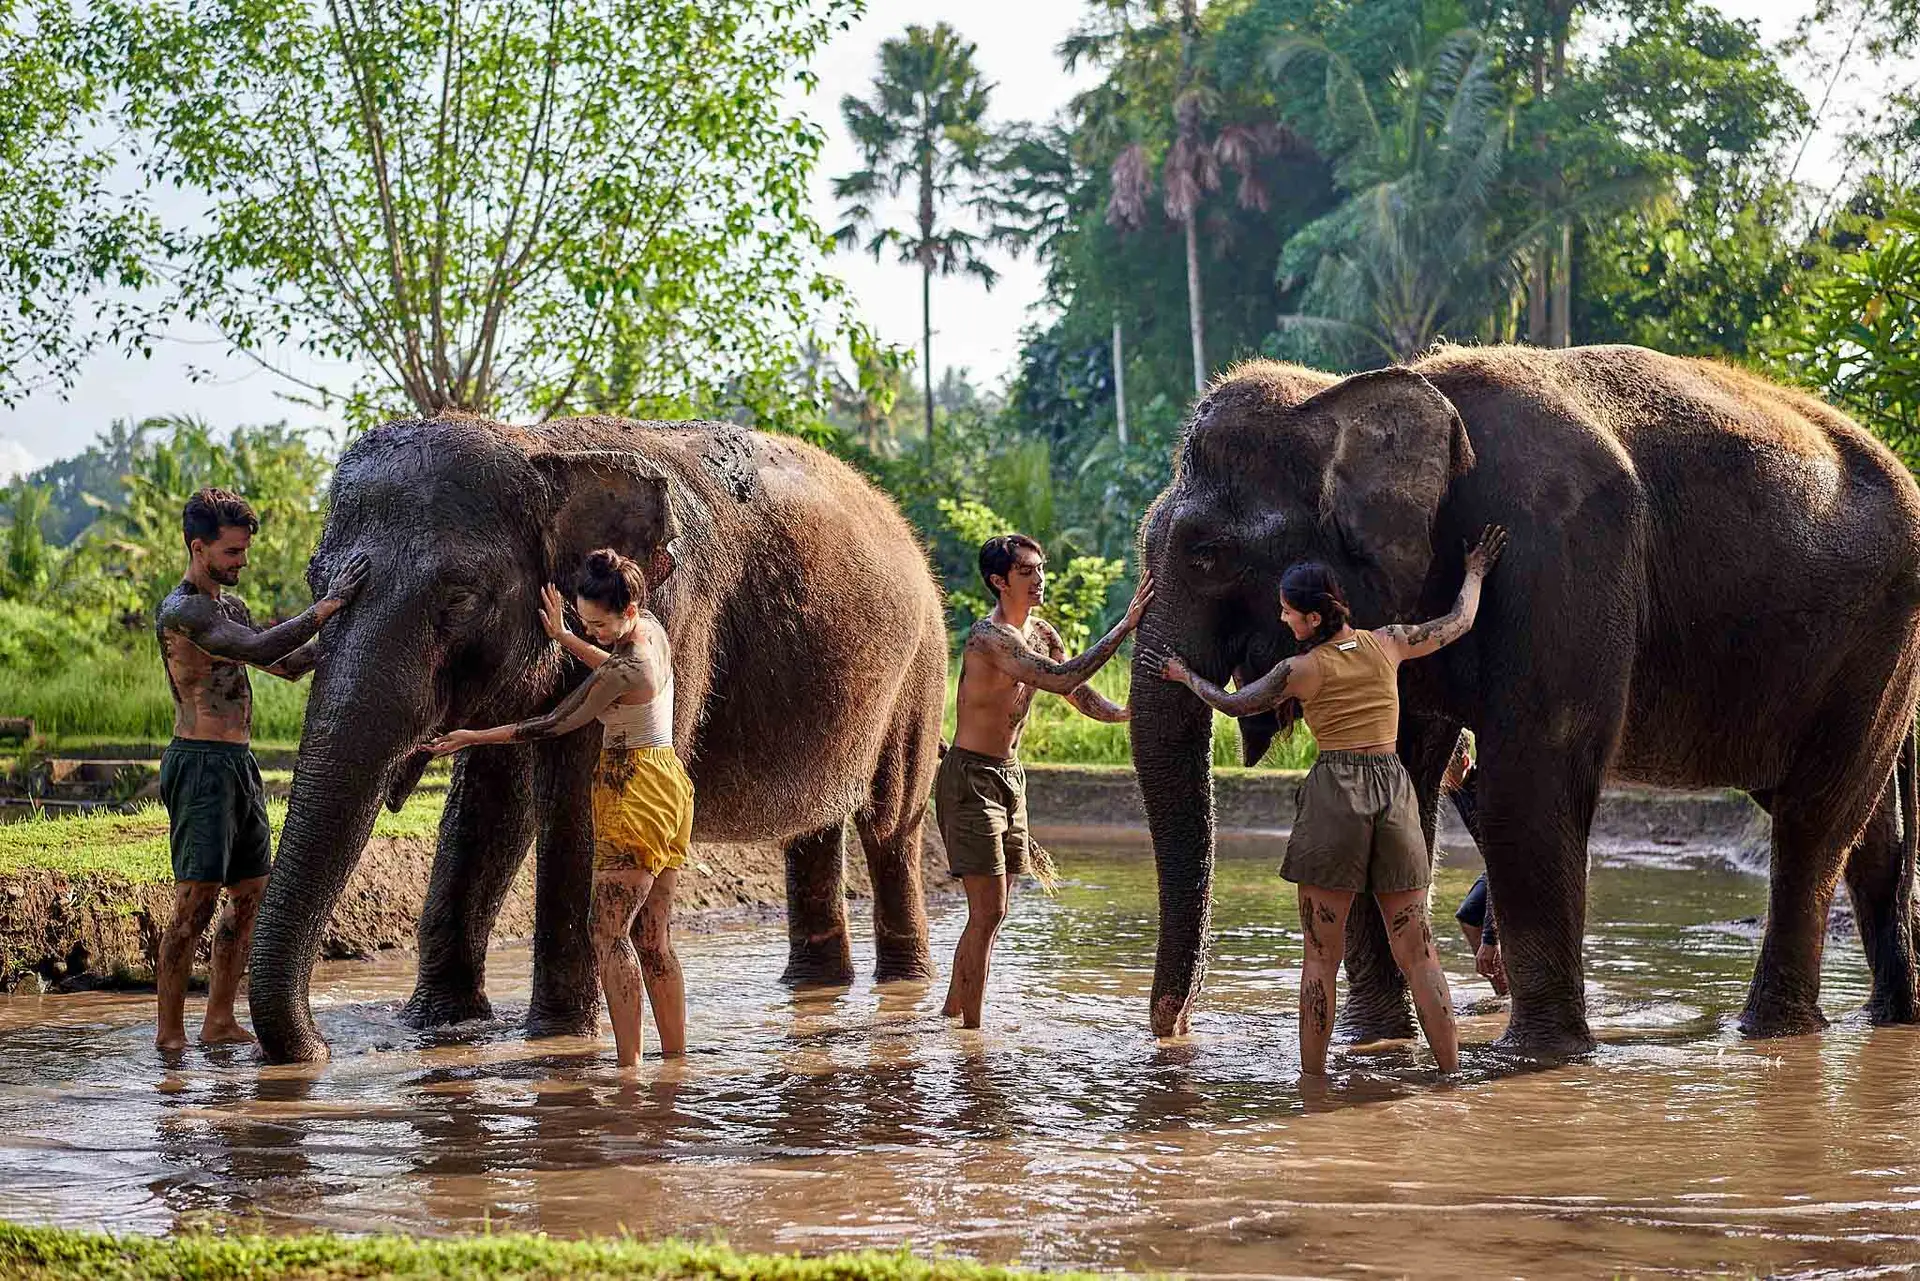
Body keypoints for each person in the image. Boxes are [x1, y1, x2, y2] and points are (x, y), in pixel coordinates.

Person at [1150, 526, 1508, 1078]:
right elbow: (1459, 621)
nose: (1284, 620)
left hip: (1335, 794)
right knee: (1419, 952)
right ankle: (1450, 1075)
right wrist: (1477, 572)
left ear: (1314, 618)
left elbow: (1235, 703)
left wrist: (1184, 675)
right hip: (1394, 790)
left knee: (1321, 956)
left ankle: (1312, 1085)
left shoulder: (1300, 670)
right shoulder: (1388, 642)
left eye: (1289, 612)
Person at [427, 549, 691, 1069]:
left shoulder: (625, 669)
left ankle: (629, 1069)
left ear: (629, 607)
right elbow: (612, 664)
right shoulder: (651, 632)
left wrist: (471, 736)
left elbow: (553, 723)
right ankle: (677, 1064)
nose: (591, 632)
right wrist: (566, 637)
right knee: (653, 936)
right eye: (584, 621)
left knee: (608, 933)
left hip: (633, 789)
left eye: (598, 623)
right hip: (670, 785)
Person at [154, 488, 369, 1051]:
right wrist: (326, 608)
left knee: (250, 893)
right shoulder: (185, 610)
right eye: (231, 553)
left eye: (244, 551)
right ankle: (169, 1035)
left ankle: (219, 1019)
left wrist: (348, 640)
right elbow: (260, 646)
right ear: (198, 547)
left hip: (239, 763)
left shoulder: (231, 609)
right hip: (200, 764)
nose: (241, 562)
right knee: (194, 903)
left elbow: (286, 661)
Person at [937, 534, 1153, 1028]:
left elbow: (1073, 689)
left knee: (997, 911)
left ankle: (952, 1014)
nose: (1039, 580)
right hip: (971, 778)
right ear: (999, 581)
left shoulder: (1043, 632)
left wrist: (1122, 715)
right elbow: (1057, 678)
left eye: (1041, 570)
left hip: (1012, 779)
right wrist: (1125, 625)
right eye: (1027, 572)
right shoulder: (989, 639)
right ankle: (971, 1038)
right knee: (988, 911)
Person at [1442, 734, 1508, 997]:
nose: (1441, 778)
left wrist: (1490, 940)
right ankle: (1505, 996)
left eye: (1447, 770)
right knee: (1469, 916)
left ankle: (1520, 1002)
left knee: (1505, 936)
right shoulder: (1455, 785)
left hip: (1519, 868)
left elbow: (1501, 868)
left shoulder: (1486, 795)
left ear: (1467, 761)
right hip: (1497, 865)